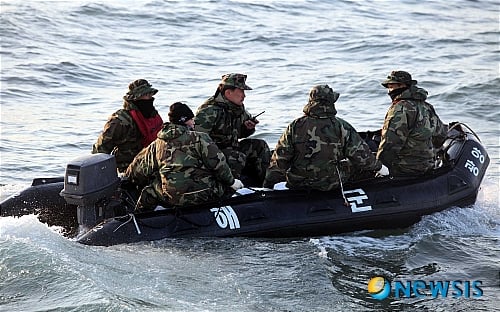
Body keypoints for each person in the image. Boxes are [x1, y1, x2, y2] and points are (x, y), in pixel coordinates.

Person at [262, 84, 388, 191]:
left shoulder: (295, 126)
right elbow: (362, 157)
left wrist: (268, 185)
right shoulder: (341, 126)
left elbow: (280, 159)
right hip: (330, 183)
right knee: (356, 167)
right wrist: (379, 167)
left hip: (298, 183)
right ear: (330, 102)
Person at [125, 102, 244, 211]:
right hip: (205, 194)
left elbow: (138, 170)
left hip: (172, 197)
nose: (194, 122)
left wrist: (126, 179)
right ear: (184, 120)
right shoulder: (200, 138)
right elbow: (219, 164)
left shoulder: (156, 145)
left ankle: (140, 222)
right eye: (191, 119)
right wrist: (232, 182)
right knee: (226, 184)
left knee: (149, 191)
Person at [194, 73, 271, 186]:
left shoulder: (238, 108)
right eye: (241, 92)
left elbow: (239, 133)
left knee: (260, 146)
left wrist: (247, 128)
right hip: (213, 155)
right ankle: (230, 189)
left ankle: (266, 185)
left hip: (232, 148)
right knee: (235, 156)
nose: (244, 96)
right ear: (228, 93)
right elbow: (197, 141)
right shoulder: (209, 111)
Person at [377, 70, 447, 176]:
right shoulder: (426, 107)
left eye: (392, 86)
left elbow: (390, 145)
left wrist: (378, 167)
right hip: (427, 165)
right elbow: (440, 136)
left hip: (405, 168)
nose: (389, 91)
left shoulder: (400, 110)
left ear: (402, 86)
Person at [92, 79, 164, 173]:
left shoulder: (151, 115)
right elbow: (100, 150)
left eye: (151, 95)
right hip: (128, 170)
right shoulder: (120, 121)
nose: (150, 98)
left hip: (151, 165)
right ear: (136, 98)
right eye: (146, 95)